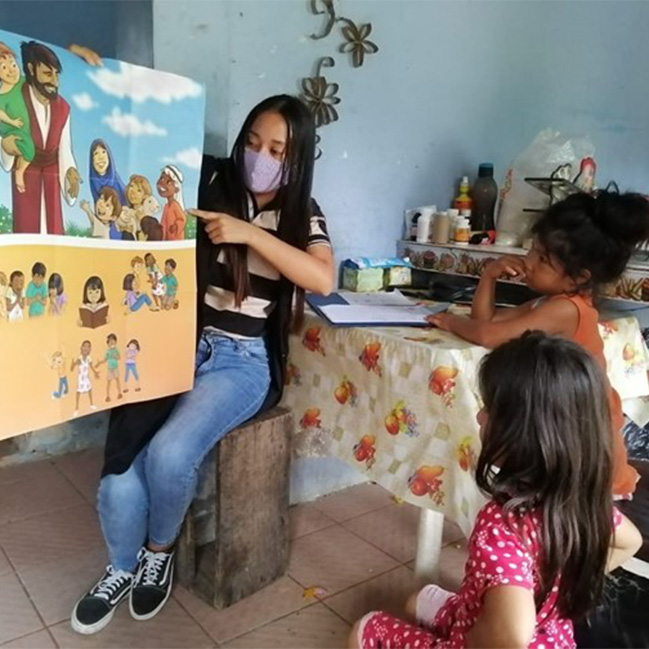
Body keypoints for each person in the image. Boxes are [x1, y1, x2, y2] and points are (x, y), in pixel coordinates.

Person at [71, 94, 333, 635]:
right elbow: (131, 157)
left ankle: (158, 553)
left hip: (242, 361)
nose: (260, 156)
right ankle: (121, 567)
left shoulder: (302, 210)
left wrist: (250, 233)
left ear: (298, 157)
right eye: (253, 142)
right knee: (120, 476)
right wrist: (92, 80)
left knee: (169, 455)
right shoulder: (208, 181)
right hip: (177, 343)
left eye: (277, 149)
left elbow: (321, 278)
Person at [351, 332, 642, 649]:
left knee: (367, 628)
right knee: (417, 600)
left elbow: (511, 638)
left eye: (488, 408)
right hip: (552, 638)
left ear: (525, 434)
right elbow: (631, 541)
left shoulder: (502, 525)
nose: (478, 416)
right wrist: (556, 590)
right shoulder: (579, 501)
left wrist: (479, 636)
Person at [429, 190, 649, 498]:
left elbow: (487, 337)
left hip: (585, 433)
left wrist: (451, 321)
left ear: (577, 278)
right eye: (533, 250)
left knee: (579, 515)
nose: (529, 262)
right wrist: (489, 276)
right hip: (561, 421)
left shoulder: (566, 309)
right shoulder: (551, 302)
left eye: (542, 258)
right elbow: (488, 322)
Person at [0, 41, 81, 234]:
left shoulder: (63, 107)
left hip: (52, 176)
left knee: (52, 231)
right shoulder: (15, 94)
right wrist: (5, 144)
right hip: (26, 174)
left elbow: (64, 148)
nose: (54, 81)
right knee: (27, 230)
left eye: (56, 75)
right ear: (31, 69)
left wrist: (71, 176)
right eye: (47, 74)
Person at [88, 139, 127, 206]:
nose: (101, 157)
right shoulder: (94, 183)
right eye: (96, 153)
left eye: (103, 152)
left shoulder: (117, 183)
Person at [157, 164, 186, 240]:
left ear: (176, 188)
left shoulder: (175, 205)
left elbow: (182, 219)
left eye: (168, 182)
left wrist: (176, 226)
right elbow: (163, 222)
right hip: (167, 239)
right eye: (161, 179)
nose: (162, 183)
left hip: (176, 239)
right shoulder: (166, 206)